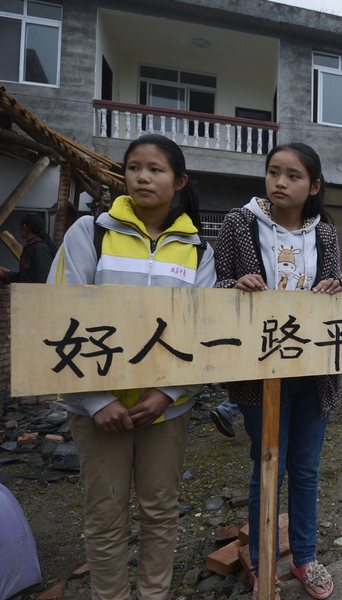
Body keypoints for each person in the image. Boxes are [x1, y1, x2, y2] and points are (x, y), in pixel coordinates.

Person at [48, 134, 216, 599]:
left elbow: (202, 335)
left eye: (156, 169)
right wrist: (96, 400)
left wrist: (170, 394)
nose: (143, 176)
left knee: (160, 512)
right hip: (97, 413)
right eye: (134, 167)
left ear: (178, 181)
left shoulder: (199, 250)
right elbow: (58, 319)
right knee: (105, 516)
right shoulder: (90, 234)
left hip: (165, 411)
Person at [213, 142, 341, 600]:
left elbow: (335, 290)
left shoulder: (324, 232)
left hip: (314, 370)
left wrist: (334, 287)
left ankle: (305, 558)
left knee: (305, 469)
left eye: (293, 176)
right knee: (268, 465)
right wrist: (235, 285)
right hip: (259, 368)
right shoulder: (237, 222)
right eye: (273, 172)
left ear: (314, 186)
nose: (280, 182)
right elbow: (214, 287)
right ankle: (264, 567)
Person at [0, 213, 56, 284]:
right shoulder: (31, 247)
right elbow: (25, 277)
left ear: (24, 227)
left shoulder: (40, 248)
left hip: (35, 294)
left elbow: (43, 279)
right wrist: (6, 275)